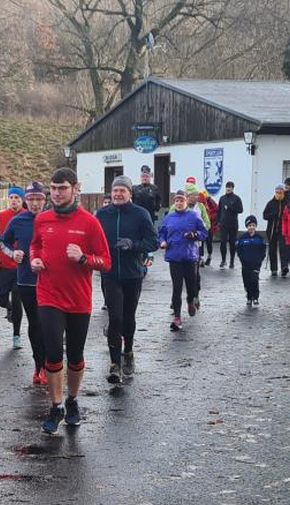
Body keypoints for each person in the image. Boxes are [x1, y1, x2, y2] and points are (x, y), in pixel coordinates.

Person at [30, 167, 111, 435]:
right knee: (53, 352)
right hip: (48, 295)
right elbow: (35, 245)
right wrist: (35, 259)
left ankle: (73, 400)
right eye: (52, 188)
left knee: (75, 355)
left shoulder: (90, 222)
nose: (56, 193)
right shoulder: (42, 220)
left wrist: (84, 259)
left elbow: (106, 262)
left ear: (75, 188)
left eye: (62, 188)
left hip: (78, 299)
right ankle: (56, 406)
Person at [96, 175, 158, 384]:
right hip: (110, 273)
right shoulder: (102, 214)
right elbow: (92, 240)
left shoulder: (140, 214)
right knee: (115, 318)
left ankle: (128, 350)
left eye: (122, 191)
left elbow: (153, 242)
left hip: (133, 273)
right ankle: (115, 364)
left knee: (128, 316)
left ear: (130, 194)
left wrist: (133, 244)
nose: (118, 194)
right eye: (115, 191)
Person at [0, 181, 48, 385]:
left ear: (45, 200)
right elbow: (3, 242)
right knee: (35, 323)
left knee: (50, 324)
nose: (35, 203)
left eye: (39, 199)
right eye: (31, 199)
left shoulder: (53, 219)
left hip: (51, 280)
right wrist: (14, 253)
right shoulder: (19, 220)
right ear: (26, 201)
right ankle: (39, 365)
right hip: (27, 280)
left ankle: (50, 363)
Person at [158, 191, 208, 331]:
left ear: (186, 201)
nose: (179, 203)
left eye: (181, 200)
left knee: (191, 286)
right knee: (177, 287)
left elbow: (204, 233)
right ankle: (177, 317)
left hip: (190, 257)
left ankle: (191, 301)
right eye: (176, 201)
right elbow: (161, 233)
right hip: (174, 257)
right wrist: (162, 242)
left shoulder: (194, 216)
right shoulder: (169, 217)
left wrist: (194, 235)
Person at [0, 187, 26, 349]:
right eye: (11, 197)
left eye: (17, 198)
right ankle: (8, 307)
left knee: (18, 298)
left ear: (22, 200)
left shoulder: (28, 216)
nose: (14, 200)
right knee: (1, 299)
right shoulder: (0, 216)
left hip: (21, 266)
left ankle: (16, 335)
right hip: (4, 265)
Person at [236, 215, 266, 306]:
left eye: (253, 225)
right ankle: (249, 297)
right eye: (249, 225)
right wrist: (242, 258)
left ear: (255, 226)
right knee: (247, 281)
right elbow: (238, 250)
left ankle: (255, 297)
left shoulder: (260, 238)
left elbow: (263, 250)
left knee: (254, 280)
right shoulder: (242, 238)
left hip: (256, 263)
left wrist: (260, 259)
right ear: (246, 227)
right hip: (245, 264)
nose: (251, 227)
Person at [262, 184, 289, 277]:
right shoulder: (270, 203)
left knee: (283, 248)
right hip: (272, 229)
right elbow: (264, 215)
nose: (279, 194)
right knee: (272, 249)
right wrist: (273, 214)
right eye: (277, 192)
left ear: (283, 193)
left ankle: (284, 267)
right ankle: (273, 268)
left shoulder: (287, 203)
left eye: (280, 192)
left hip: (283, 229)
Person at [217, 181, 243, 268]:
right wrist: (218, 222)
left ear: (232, 188)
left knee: (232, 243)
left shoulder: (236, 198)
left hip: (233, 224)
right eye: (227, 186)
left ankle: (232, 261)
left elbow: (240, 210)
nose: (228, 188)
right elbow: (219, 211)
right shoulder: (222, 198)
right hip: (223, 224)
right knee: (223, 242)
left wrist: (230, 207)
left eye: (230, 187)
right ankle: (223, 260)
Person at [200, 189, 219, 266]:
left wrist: (212, 220)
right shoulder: (200, 203)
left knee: (209, 242)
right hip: (201, 226)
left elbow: (216, 211)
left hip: (209, 225)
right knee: (200, 242)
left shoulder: (211, 202)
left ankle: (209, 256)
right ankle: (200, 258)